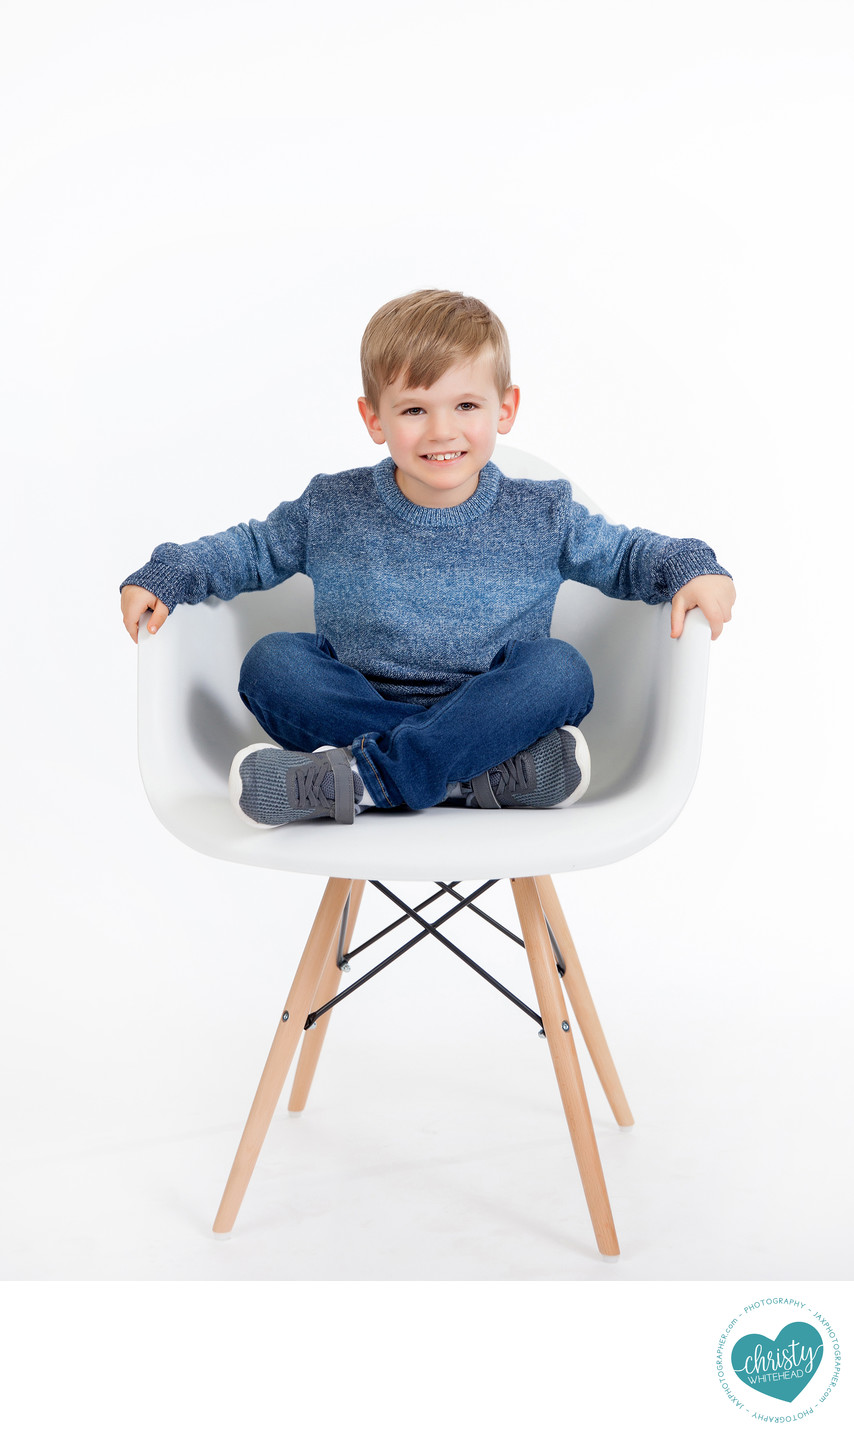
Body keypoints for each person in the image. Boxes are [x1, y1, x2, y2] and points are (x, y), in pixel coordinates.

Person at [120, 289, 735, 829]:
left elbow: (627, 555)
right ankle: (471, 782)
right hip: (357, 705)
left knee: (560, 671)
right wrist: (172, 573)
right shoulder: (333, 504)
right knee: (272, 664)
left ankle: (359, 784)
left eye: (466, 406)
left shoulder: (541, 512)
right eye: (415, 409)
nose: (442, 431)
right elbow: (249, 549)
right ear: (374, 419)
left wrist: (690, 565)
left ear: (505, 409)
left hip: (492, 710)